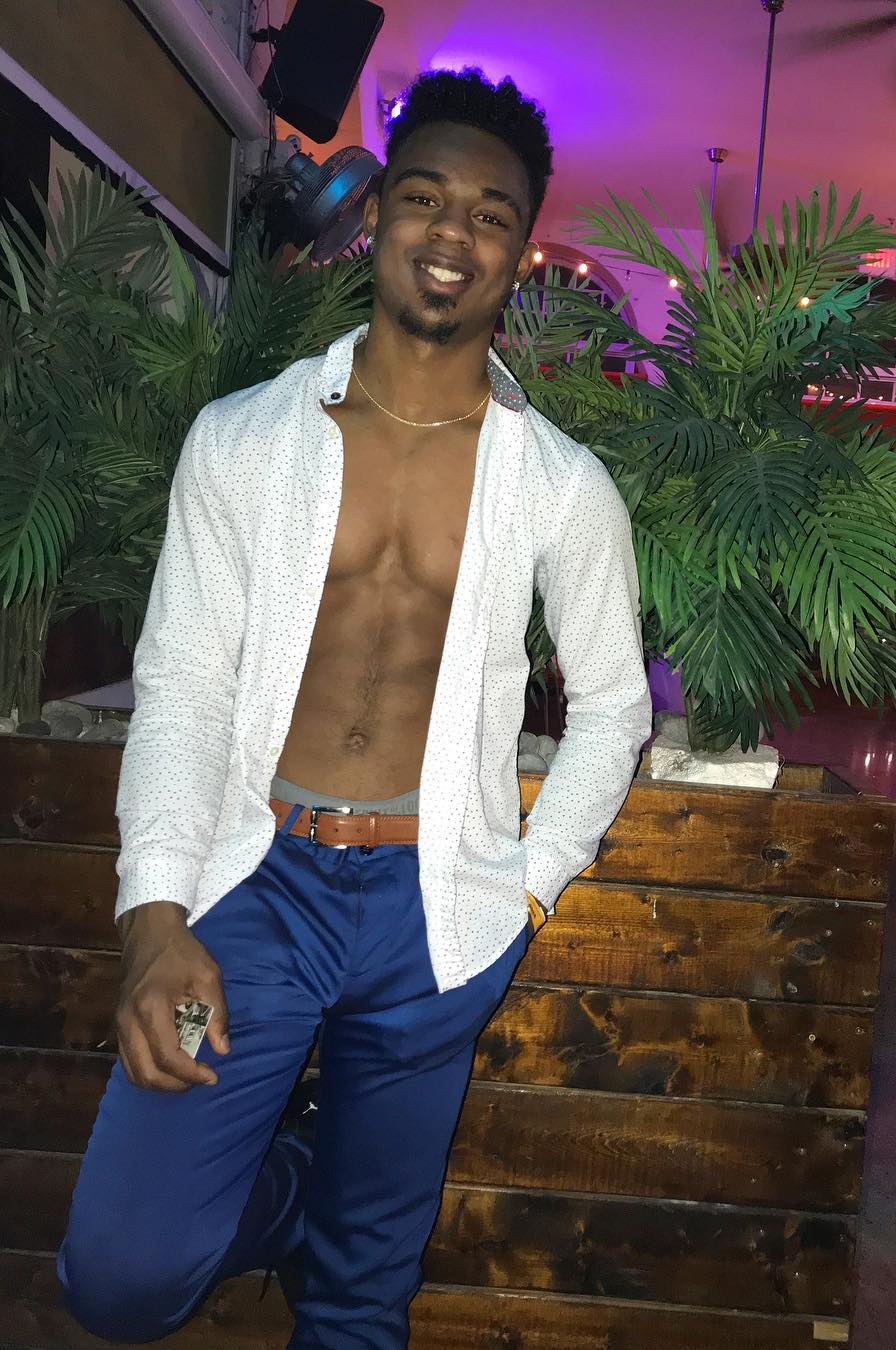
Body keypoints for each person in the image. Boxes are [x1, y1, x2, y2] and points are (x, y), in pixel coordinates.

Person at [56, 67, 651, 1349]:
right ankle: (294, 1194)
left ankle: (339, 1224)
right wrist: (156, 921)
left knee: (362, 1301)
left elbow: (614, 707)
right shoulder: (243, 440)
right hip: (250, 898)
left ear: (520, 252)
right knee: (122, 1272)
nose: (453, 233)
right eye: (426, 197)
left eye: (491, 214)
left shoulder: (561, 488)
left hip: (440, 923)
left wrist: (528, 886)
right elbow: (184, 687)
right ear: (376, 215)